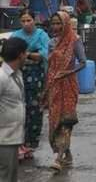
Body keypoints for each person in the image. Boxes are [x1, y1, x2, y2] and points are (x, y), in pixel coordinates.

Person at [42, 11, 86, 171]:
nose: (55, 27)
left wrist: (67, 72)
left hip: (68, 85)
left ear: (66, 24)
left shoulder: (75, 41)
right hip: (54, 85)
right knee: (56, 122)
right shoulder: (51, 43)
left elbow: (83, 62)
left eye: (59, 23)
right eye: (53, 23)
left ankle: (59, 158)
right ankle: (67, 154)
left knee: (66, 121)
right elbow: (49, 65)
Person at [10, 9, 50, 159]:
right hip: (18, 76)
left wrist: (27, 55)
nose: (26, 24)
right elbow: (10, 54)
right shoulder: (16, 36)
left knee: (34, 109)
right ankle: (17, 144)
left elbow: (45, 55)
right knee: (17, 110)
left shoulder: (42, 35)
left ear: (34, 20)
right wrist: (32, 55)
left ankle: (30, 144)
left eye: (29, 20)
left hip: (37, 78)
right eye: (23, 21)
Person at [0, 37, 28, 182]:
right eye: (26, 52)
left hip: (13, 137)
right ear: (20, 54)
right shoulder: (2, 77)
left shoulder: (17, 74)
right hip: (3, 139)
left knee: (11, 176)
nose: (27, 55)